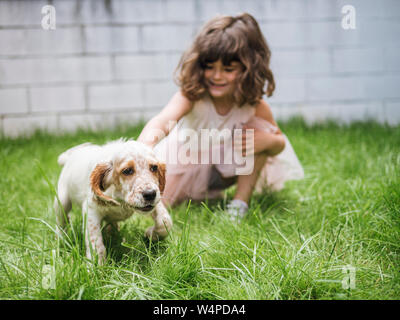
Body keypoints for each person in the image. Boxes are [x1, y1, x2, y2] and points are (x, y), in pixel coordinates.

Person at [137, 13, 304, 221]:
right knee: (152, 207)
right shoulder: (192, 95)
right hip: (184, 168)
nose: (217, 76)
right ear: (200, 65)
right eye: (210, 67)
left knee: (259, 134)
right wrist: (143, 147)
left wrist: (267, 141)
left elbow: (279, 144)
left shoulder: (254, 105)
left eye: (228, 69)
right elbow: (163, 120)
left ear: (248, 69)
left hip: (226, 168)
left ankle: (239, 205)